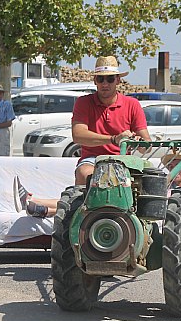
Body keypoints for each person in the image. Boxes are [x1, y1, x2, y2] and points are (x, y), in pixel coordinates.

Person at [13, 55, 152, 217]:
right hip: (93, 160)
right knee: (86, 175)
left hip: (123, 163)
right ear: (95, 81)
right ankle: (41, 205)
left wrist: (138, 142)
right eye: (101, 79)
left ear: (118, 81)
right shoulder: (84, 102)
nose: (105, 84)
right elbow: (78, 136)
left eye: (109, 79)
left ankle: (39, 205)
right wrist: (114, 139)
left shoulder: (132, 105)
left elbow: (146, 146)